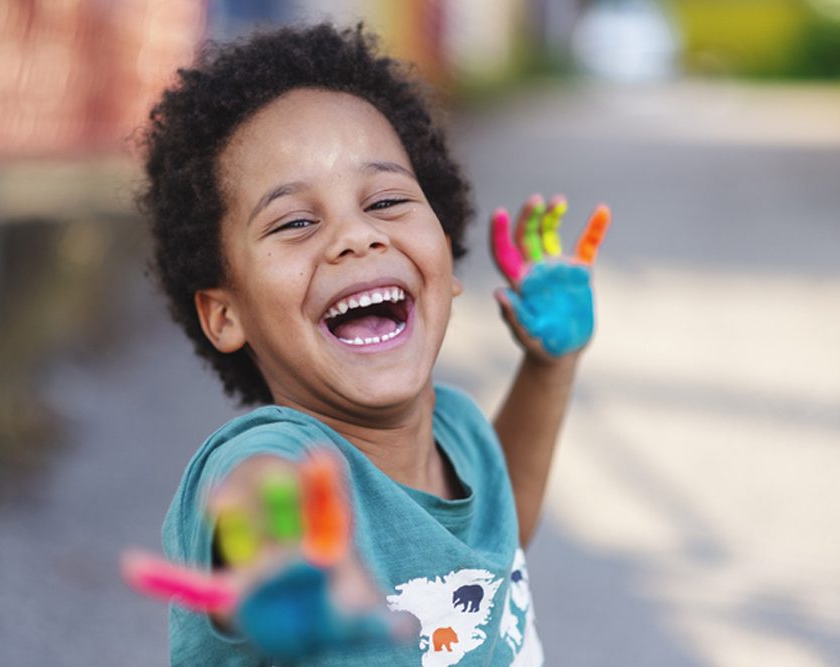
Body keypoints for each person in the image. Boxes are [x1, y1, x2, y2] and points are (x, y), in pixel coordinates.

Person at [132, 21, 609, 666]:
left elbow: (506, 526)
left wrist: (550, 367)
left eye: (386, 201)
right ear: (224, 314)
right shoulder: (275, 451)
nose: (356, 237)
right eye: (296, 221)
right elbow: (256, 489)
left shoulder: (460, 429)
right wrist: (285, 564)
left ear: (444, 248)